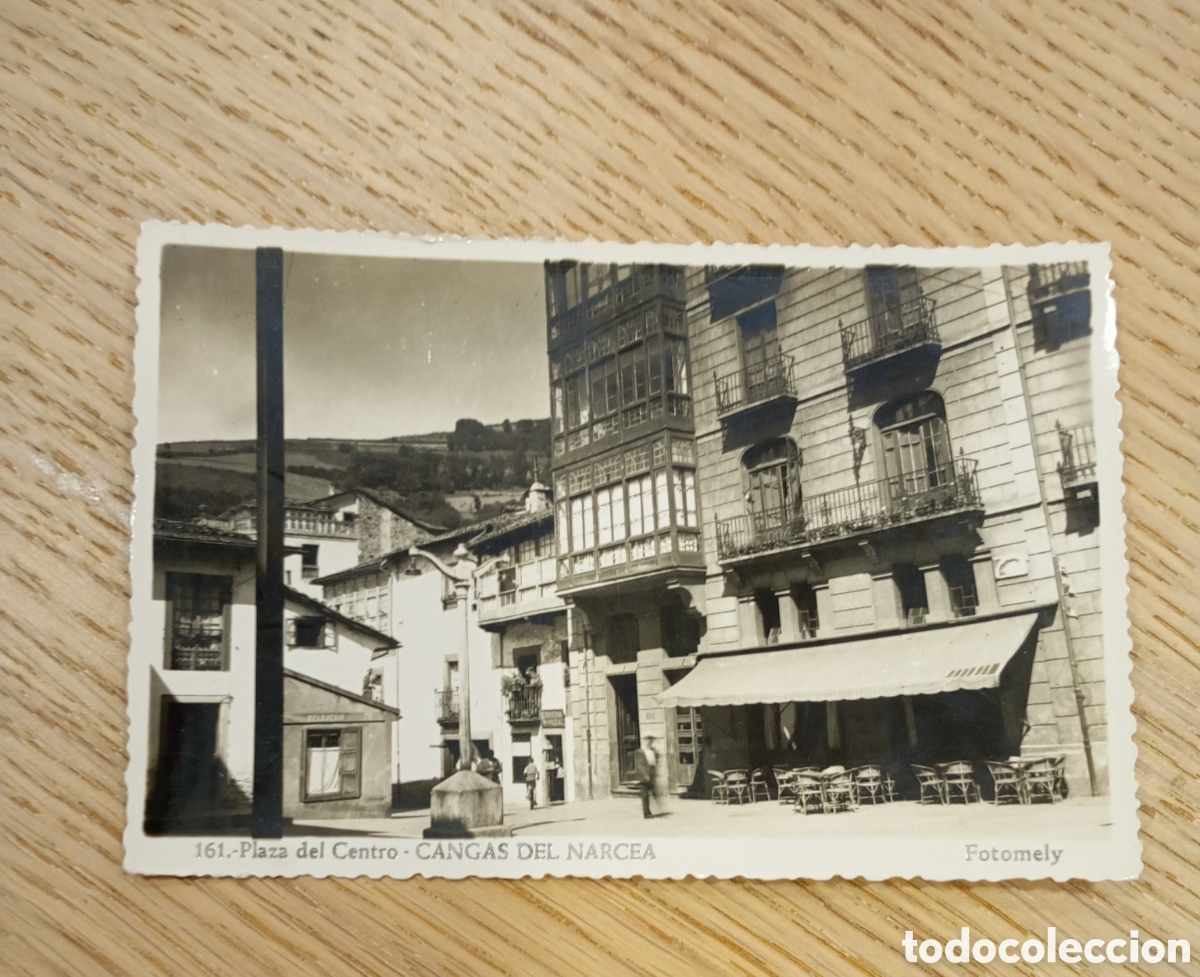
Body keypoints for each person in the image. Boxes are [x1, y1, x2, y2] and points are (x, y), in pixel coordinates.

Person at [635, 735, 660, 819]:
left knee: (653, 791)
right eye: (648, 740)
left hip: (651, 772)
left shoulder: (653, 750)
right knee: (645, 794)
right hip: (645, 774)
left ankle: (656, 807)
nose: (650, 742)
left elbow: (655, 762)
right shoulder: (641, 751)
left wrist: (655, 772)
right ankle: (646, 813)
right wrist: (645, 775)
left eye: (651, 740)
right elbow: (640, 765)